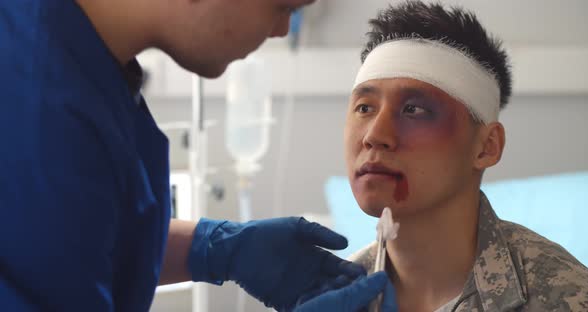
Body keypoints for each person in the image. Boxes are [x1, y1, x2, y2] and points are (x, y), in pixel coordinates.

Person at [0, 0, 394, 311]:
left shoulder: (78, 59)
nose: (279, 31)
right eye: (282, 8)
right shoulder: (38, 109)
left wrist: (216, 248)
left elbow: (74, 236)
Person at [343, 1, 588, 311]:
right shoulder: (335, 295)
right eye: (365, 108)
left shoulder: (566, 297)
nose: (374, 135)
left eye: (414, 109)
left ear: (487, 146)